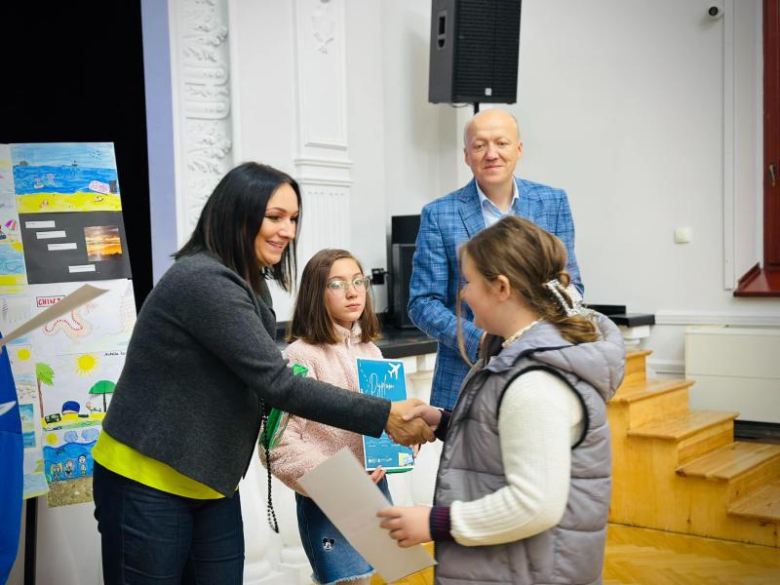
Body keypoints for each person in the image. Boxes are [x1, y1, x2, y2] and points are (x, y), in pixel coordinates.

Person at [91, 162, 433, 585]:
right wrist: (386, 417)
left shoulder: (252, 284)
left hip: (209, 482)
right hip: (147, 478)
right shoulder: (204, 280)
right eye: (275, 217)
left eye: (293, 219)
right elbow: (278, 384)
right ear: (236, 212)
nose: (287, 230)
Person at [379, 216, 625, 584]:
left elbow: (535, 505)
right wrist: (446, 421)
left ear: (502, 288)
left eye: (469, 282)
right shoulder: (515, 357)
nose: (463, 294)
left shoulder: (534, 382)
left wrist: (434, 522)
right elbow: (509, 436)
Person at [408, 109, 583, 410]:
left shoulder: (552, 203)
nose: (491, 154)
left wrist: (539, 337)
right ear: (466, 155)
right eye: (479, 145)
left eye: (501, 143)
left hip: (542, 368)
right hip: (466, 376)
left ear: (518, 149)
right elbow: (422, 303)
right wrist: (485, 341)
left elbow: (570, 284)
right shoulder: (438, 214)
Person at [264, 248, 391, 585]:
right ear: (315, 294)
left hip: (376, 492)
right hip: (330, 497)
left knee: (378, 577)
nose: (353, 292)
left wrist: (404, 442)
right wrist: (340, 482)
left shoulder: (372, 351)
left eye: (358, 281)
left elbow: (386, 419)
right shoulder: (301, 356)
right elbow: (275, 445)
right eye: (337, 284)